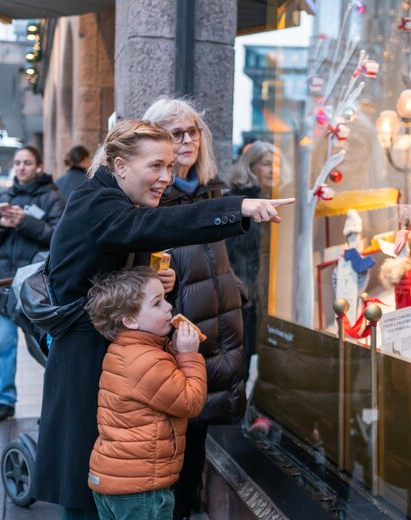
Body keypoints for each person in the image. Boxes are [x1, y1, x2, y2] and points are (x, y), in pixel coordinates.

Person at [32, 119, 293, 519]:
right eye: (155, 166)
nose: (165, 178)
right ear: (119, 166)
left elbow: (109, 266)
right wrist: (238, 207)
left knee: (104, 481)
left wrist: (150, 281)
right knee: (88, 487)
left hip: (103, 357)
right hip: (84, 362)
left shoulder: (109, 199)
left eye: (169, 167)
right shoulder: (97, 204)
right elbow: (151, 226)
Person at [143, 97, 250, 519]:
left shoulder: (213, 190)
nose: (188, 140)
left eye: (193, 131)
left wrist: (238, 289)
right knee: (168, 453)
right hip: (173, 341)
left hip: (214, 337)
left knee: (196, 447)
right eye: (176, 133)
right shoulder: (152, 197)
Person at [85, 268, 206, 520]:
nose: (168, 307)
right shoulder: (146, 361)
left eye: (165, 298)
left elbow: (159, 387)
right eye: (157, 302)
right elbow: (190, 402)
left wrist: (173, 350)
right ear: (130, 320)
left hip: (117, 482)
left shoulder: (126, 351)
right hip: (141, 490)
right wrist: (189, 355)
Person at [0, 145, 64, 421]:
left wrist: (24, 222)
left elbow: (58, 237)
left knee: (43, 347)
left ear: (38, 165)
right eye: (18, 163)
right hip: (4, 282)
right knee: (2, 343)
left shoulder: (52, 196)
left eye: (27, 162)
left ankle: (56, 401)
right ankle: (5, 399)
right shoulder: (6, 195)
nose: (21, 167)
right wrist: (2, 223)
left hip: (33, 284)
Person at [220, 141, 276, 384]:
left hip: (265, 295)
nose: (274, 170)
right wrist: (244, 290)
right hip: (241, 294)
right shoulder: (238, 202)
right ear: (251, 167)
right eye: (267, 164)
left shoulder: (275, 200)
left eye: (277, 165)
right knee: (239, 361)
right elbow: (232, 252)